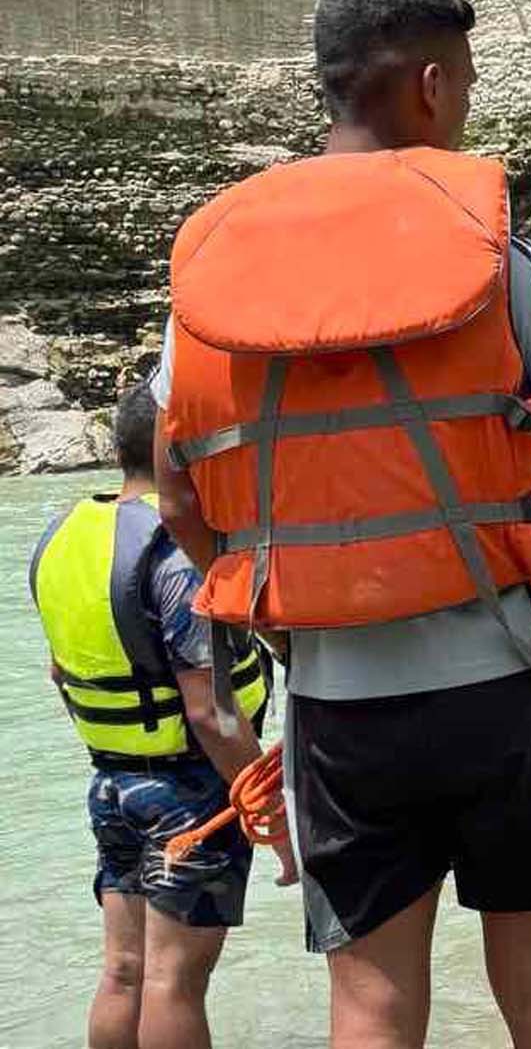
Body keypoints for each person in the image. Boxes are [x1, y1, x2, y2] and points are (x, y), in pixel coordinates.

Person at [150, 0, 531, 1049]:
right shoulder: (498, 258)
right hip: (504, 683)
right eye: (462, 83)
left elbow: (177, 485)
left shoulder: (214, 288)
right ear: (428, 85)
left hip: (336, 700)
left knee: (371, 1006)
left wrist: (271, 607)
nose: (463, 105)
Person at [30, 383, 290, 1049]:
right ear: (179, 448)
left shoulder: (60, 538)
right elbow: (209, 712)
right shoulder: (172, 551)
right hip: (190, 792)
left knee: (123, 969)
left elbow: (62, 674)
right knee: (174, 979)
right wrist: (274, 818)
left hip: (112, 784)